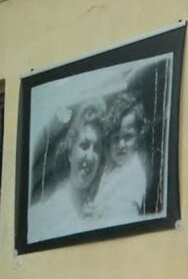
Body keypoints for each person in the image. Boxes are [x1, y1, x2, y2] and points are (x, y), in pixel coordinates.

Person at [28, 99, 106, 243]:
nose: (90, 157)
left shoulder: (98, 209)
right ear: (70, 151)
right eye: (84, 145)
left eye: (97, 149)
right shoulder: (45, 213)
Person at [89, 92, 148, 226]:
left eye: (128, 137)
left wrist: (97, 218)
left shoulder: (134, 176)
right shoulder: (114, 163)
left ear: (138, 138)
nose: (121, 145)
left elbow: (125, 220)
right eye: (116, 138)